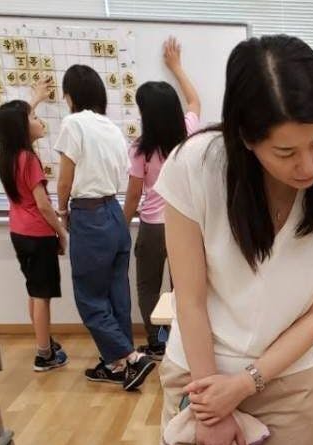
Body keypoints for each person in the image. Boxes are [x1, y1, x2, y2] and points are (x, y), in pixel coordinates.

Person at [153, 35, 313, 445]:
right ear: (246, 138)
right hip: (199, 373)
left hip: (287, 379)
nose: (308, 165)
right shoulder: (195, 166)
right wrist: (213, 406)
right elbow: (189, 299)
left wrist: (244, 384)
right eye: (285, 152)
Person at [55, 64, 155, 390]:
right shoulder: (112, 127)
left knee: (89, 299)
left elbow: (65, 180)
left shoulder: (73, 124)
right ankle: (116, 366)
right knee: (117, 295)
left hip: (89, 214)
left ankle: (131, 357)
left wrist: (62, 211)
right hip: (114, 212)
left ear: (71, 94)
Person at [123, 37, 202, 360]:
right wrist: (177, 67)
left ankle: (156, 343)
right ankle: (181, 339)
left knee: (148, 287)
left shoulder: (141, 149)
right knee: (183, 286)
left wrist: (121, 225)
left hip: (154, 227)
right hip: (187, 224)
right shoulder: (189, 131)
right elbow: (194, 100)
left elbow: (132, 196)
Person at [0, 78, 68, 372]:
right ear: (23, 129)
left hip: (19, 232)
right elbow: (44, 205)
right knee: (42, 296)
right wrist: (61, 232)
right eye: (34, 118)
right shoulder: (29, 159)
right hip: (38, 234)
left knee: (34, 290)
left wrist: (35, 97)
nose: (38, 121)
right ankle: (44, 353)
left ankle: (43, 339)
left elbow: (17, 119)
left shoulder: (8, 155)